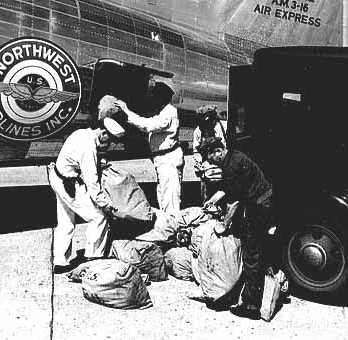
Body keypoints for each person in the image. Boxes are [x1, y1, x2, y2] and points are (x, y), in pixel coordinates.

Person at [204, 136, 273, 320]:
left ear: (218, 151)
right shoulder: (234, 157)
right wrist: (212, 200)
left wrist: (224, 225)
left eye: (211, 158)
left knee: (251, 253)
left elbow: (234, 202)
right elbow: (228, 190)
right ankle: (257, 289)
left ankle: (251, 306)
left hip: (258, 207)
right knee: (258, 250)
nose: (211, 162)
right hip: (264, 202)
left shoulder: (232, 165)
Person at [48, 117, 125, 274]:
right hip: (67, 184)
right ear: (103, 132)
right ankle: (93, 258)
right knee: (98, 217)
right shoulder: (88, 147)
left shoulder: (82, 133)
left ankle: (60, 261)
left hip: (57, 177)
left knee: (66, 221)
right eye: (110, 139)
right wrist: (105, 205)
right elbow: (92, 182)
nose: (109, 144)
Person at [115, 82, 184, 214]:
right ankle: (169, 225)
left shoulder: (169, 112)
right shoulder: (162, 112)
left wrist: (127, 111)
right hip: (162, 159)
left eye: (155, 96)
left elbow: (147, 125)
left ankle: (174, 228)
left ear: (162, 98)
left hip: (168, 160)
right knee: (163, 195)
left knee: (170, 199)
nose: (152, 99)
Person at [192, 105, 227, 202]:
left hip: (223, 163)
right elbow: (196, 150)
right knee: (206, 193)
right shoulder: (198, 131)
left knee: (223, 191)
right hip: (207, 164)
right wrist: (199, 163)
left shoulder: (224, 127)